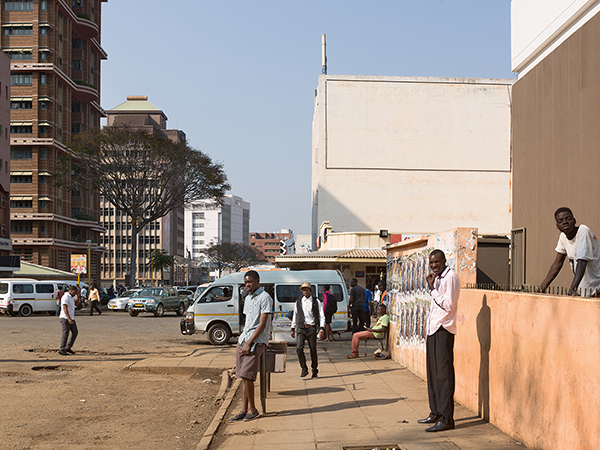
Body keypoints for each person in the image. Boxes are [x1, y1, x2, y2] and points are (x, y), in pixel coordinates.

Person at [418, 249, 460, 432]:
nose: (434, 265)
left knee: (443, 375)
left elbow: (449, 305)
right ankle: (435, 412)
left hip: (444, 330)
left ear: (444, 261)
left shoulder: (450, 277)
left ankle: (446, 418)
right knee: (433, 374)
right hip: (433, 329)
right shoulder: (437, 278)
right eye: (431, 263)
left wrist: (433, 290)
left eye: (437, 262)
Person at [228, 270, 272, 423]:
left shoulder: (265, 298)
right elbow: (248, 322)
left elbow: (262, 324)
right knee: (242, 376)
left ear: (257, 281)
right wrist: (243, 341)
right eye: (246, 282)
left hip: (257, 341)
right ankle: (243, 409)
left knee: (248, 375)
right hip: (244, 339)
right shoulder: (247, 298)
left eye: (250, 282)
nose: (247, 285)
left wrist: (249, 343)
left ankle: (253, 409)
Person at [539, 207, 600, 296]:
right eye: (560, 221)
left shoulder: (583, 231)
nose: (565, 222)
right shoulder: (563, 237)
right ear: (557, 226)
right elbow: (558, 263)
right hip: (586, 291)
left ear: (574, 220)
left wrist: (573, 289)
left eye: (568, 219)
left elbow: (582, 262)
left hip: (597, 288)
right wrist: (542, 287)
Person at [291, 282, 325, 379]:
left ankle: (314, 370)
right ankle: (304, 369)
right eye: (303, 290)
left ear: (310, 290)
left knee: (313, 350)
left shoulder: (316, 301)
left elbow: (321, 315)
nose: (305, 292)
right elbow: (295, 315)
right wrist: (293, 328)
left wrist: (321, 328)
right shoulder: (298, 301)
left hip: (311, 328)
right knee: (299, 348)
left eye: (307, 290)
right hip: (301, 328)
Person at [58, 286, 79, 356]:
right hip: (65, 318)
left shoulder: (71, 297)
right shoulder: (65, 297)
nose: (75, 294)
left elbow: (77, 304)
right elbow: (64, 308)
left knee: (75, 332)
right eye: (75, 292)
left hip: (71, 318)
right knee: (65, 333)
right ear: (71, 290)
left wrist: (78, 296)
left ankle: (68, 347)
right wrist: (69, 319)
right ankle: (62, 349)